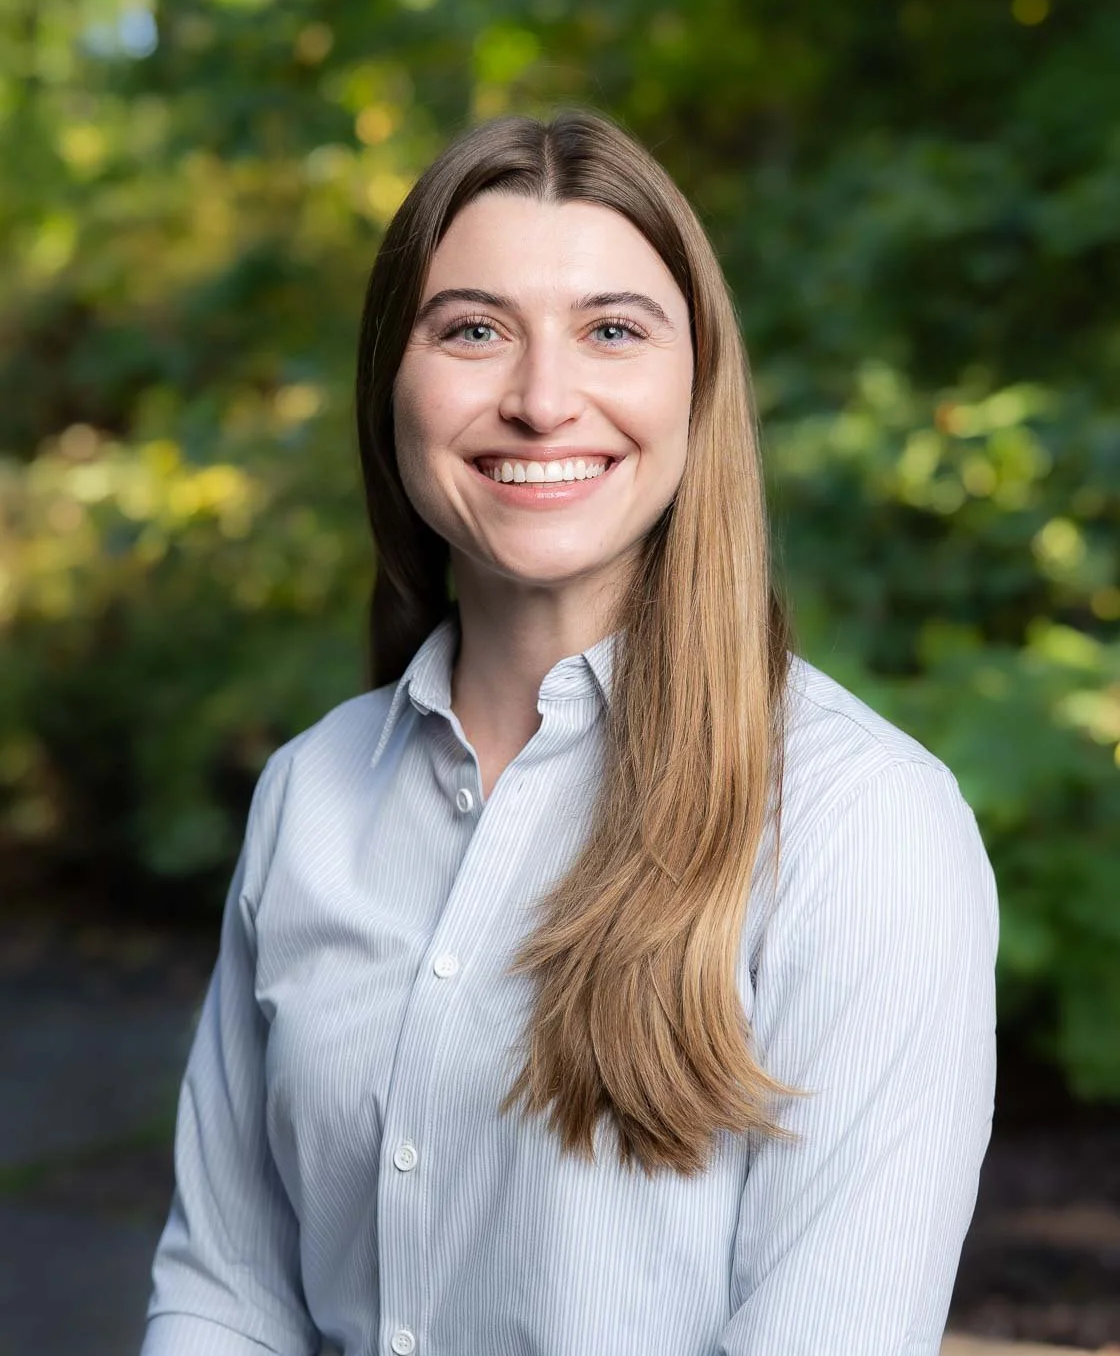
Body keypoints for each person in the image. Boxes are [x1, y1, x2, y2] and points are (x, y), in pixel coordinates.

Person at [141, 109, 998, 1356]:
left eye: (611, 330)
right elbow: (226, 1293)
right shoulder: (309, 792)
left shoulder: (862, 825)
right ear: (394, 378)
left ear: (696, 385)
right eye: (474, 329)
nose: (543, 400)